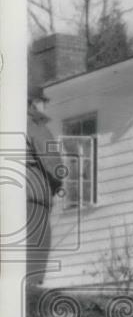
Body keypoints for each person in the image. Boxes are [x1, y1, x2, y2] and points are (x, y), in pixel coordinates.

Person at [26, 88, 63, 285]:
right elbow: (53, 163)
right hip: (33, 195)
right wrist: (57, 184)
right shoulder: (35, 124)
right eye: (43, 102)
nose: (45, 107)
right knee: (34, 255)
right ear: (34, 103)